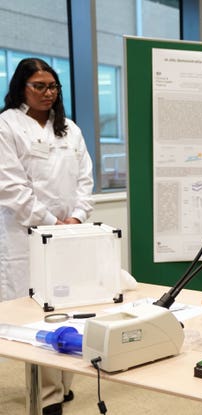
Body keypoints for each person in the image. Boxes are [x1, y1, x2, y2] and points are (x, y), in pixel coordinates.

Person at [0, 58, 94, 415]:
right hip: (25, 236)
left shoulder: (69, 129)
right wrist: (50, 222)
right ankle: (47, 396)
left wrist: (77, 217)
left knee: (71, 308)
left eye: (52, 86)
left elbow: (85, 178)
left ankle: (64, 385)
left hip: (71, 234)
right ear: (21, 87)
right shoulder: (7, 125)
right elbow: (9, 186)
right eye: (38, 86)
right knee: (38, 315)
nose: (47, 93)